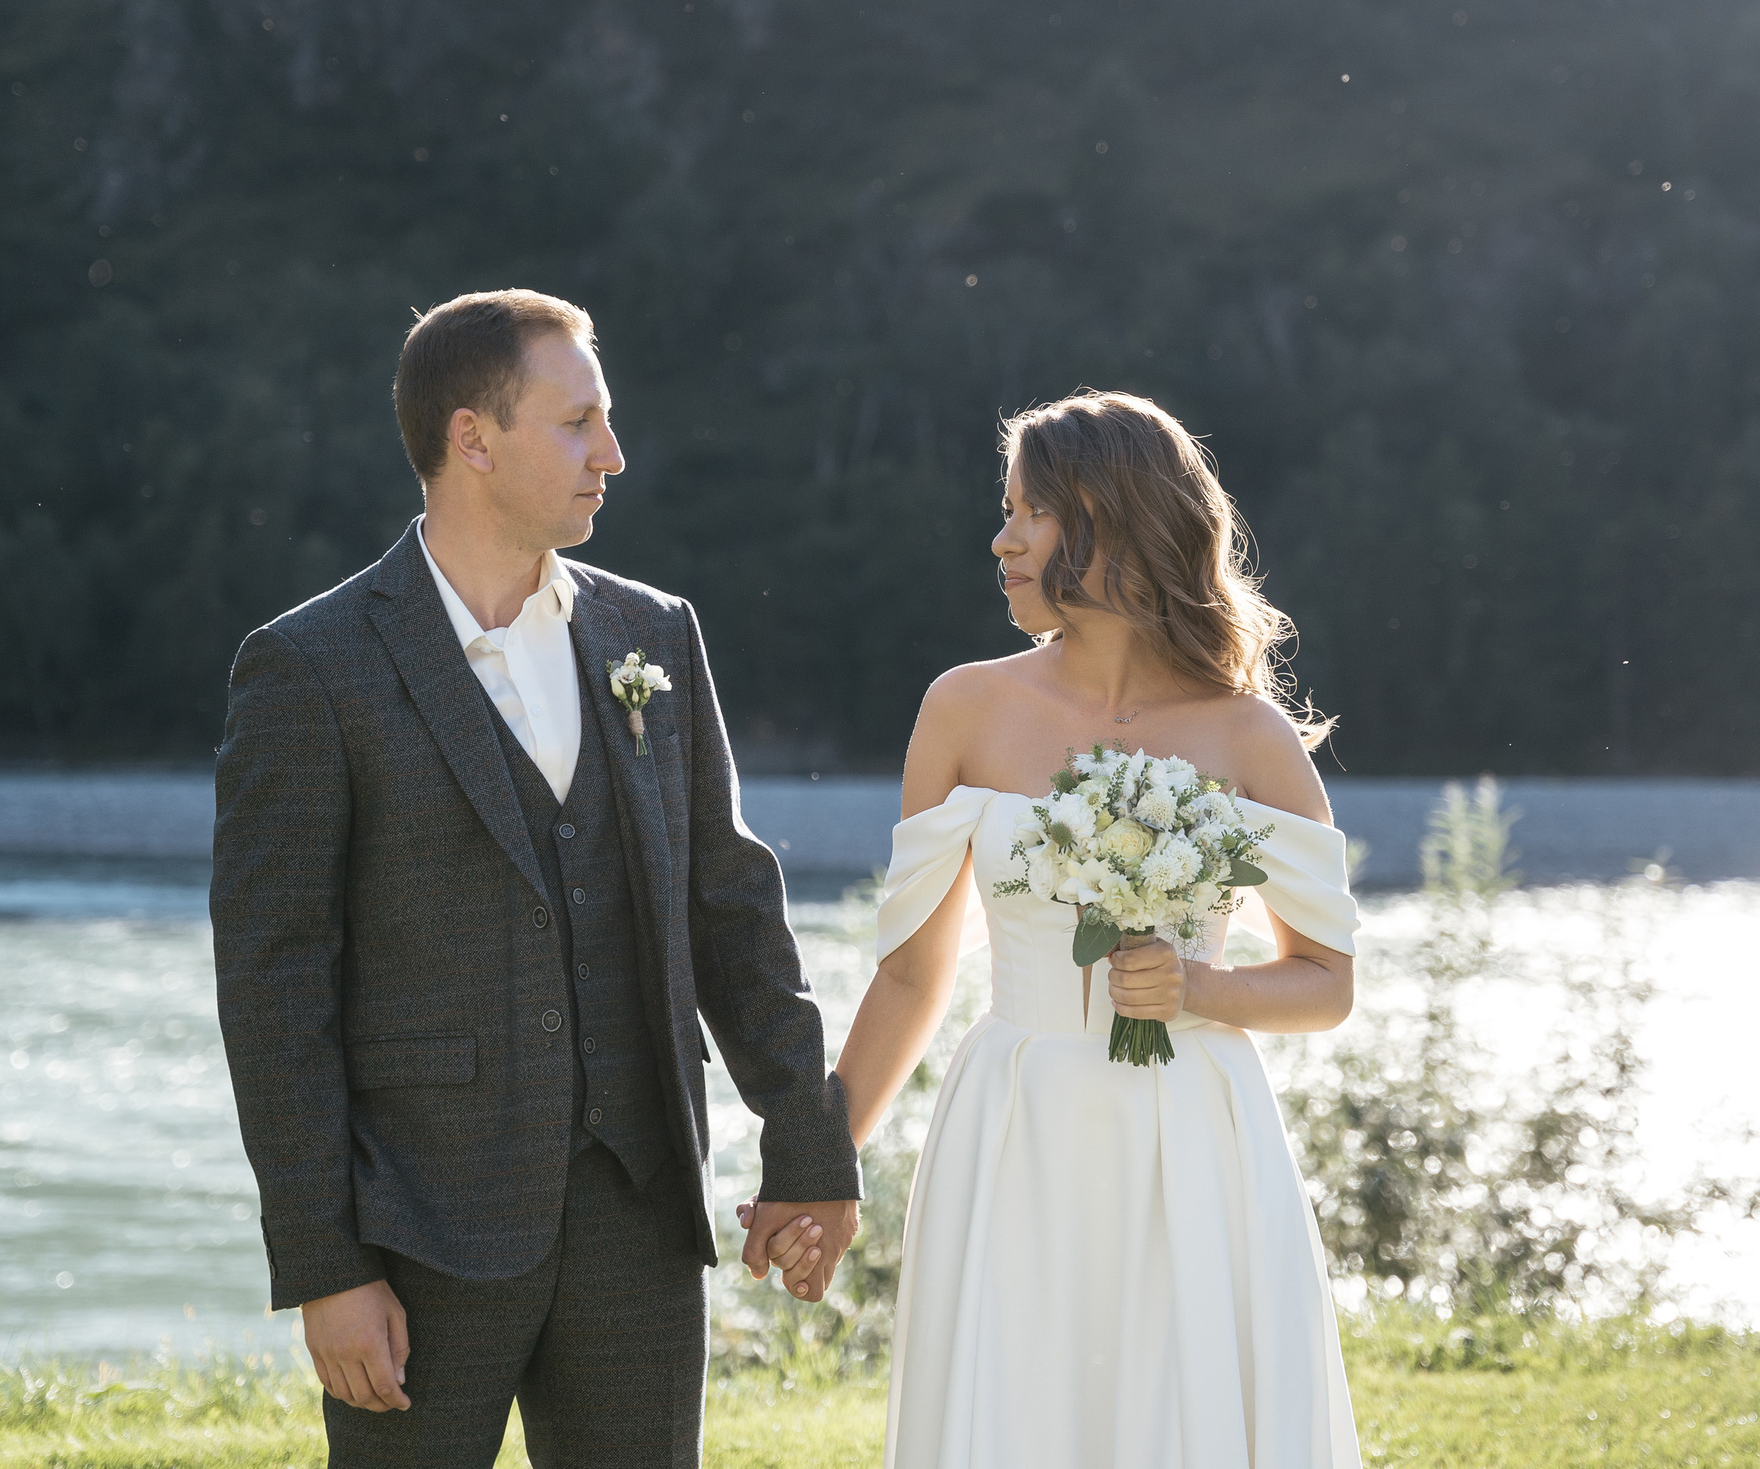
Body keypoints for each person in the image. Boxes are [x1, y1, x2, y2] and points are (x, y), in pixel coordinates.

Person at [207, 289, 857, 1469]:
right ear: (473, 437)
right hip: (417, 1232)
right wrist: (325, 1266)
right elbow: (273, 991)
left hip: (640, 1218)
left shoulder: (651, 634)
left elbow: (731, 908)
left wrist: (808, 1145)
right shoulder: (310, 667)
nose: (612, 453)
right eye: (579, 423)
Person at [763, 389, 1363, 1467]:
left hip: (1193, 1133)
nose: (1000, 539)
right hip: (1015, 1121)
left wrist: (1201, 992)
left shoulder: (1249, 737)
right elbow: (909, 977)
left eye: (1027, 512)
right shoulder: (964, 708)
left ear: (1109, 517)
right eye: (1006, 512)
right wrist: (820, 1166)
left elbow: (1325, 982)